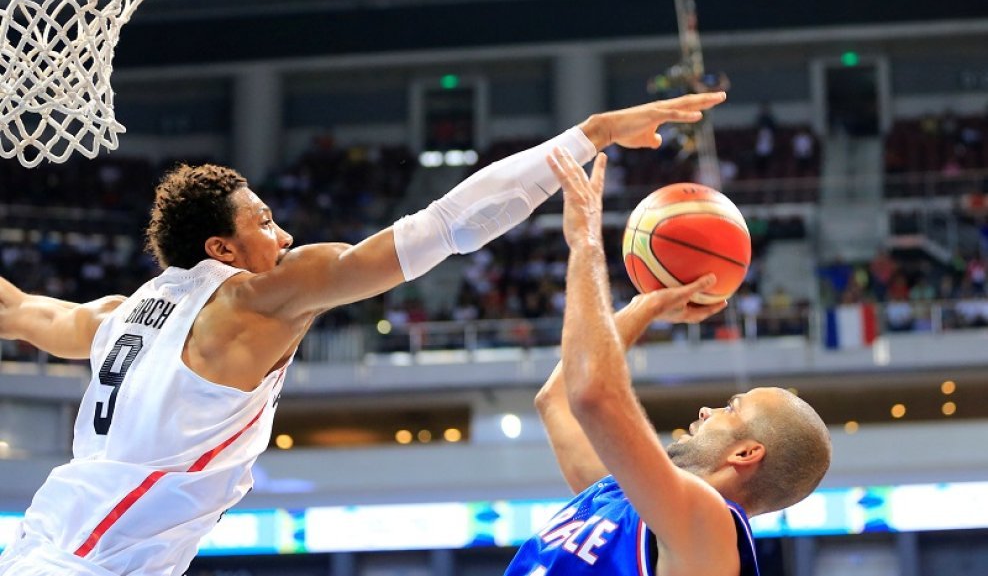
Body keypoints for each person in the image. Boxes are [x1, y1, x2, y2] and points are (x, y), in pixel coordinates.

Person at [0, 92, 727, 576]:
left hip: (46, 536)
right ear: (220, 250)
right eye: (261, 222)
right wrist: (591, 135)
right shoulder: (258, 299)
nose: (282, 233)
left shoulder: (118, 314)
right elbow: (441, 226)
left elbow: (19, 311)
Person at [504, 147, 831, 576]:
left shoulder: (708, 527)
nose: (707, 410)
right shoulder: (623, 499)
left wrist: (585, 243)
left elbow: (592, 396)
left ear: (747, 452)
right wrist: (643, 308)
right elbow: (558, 399)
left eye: (731, 409)